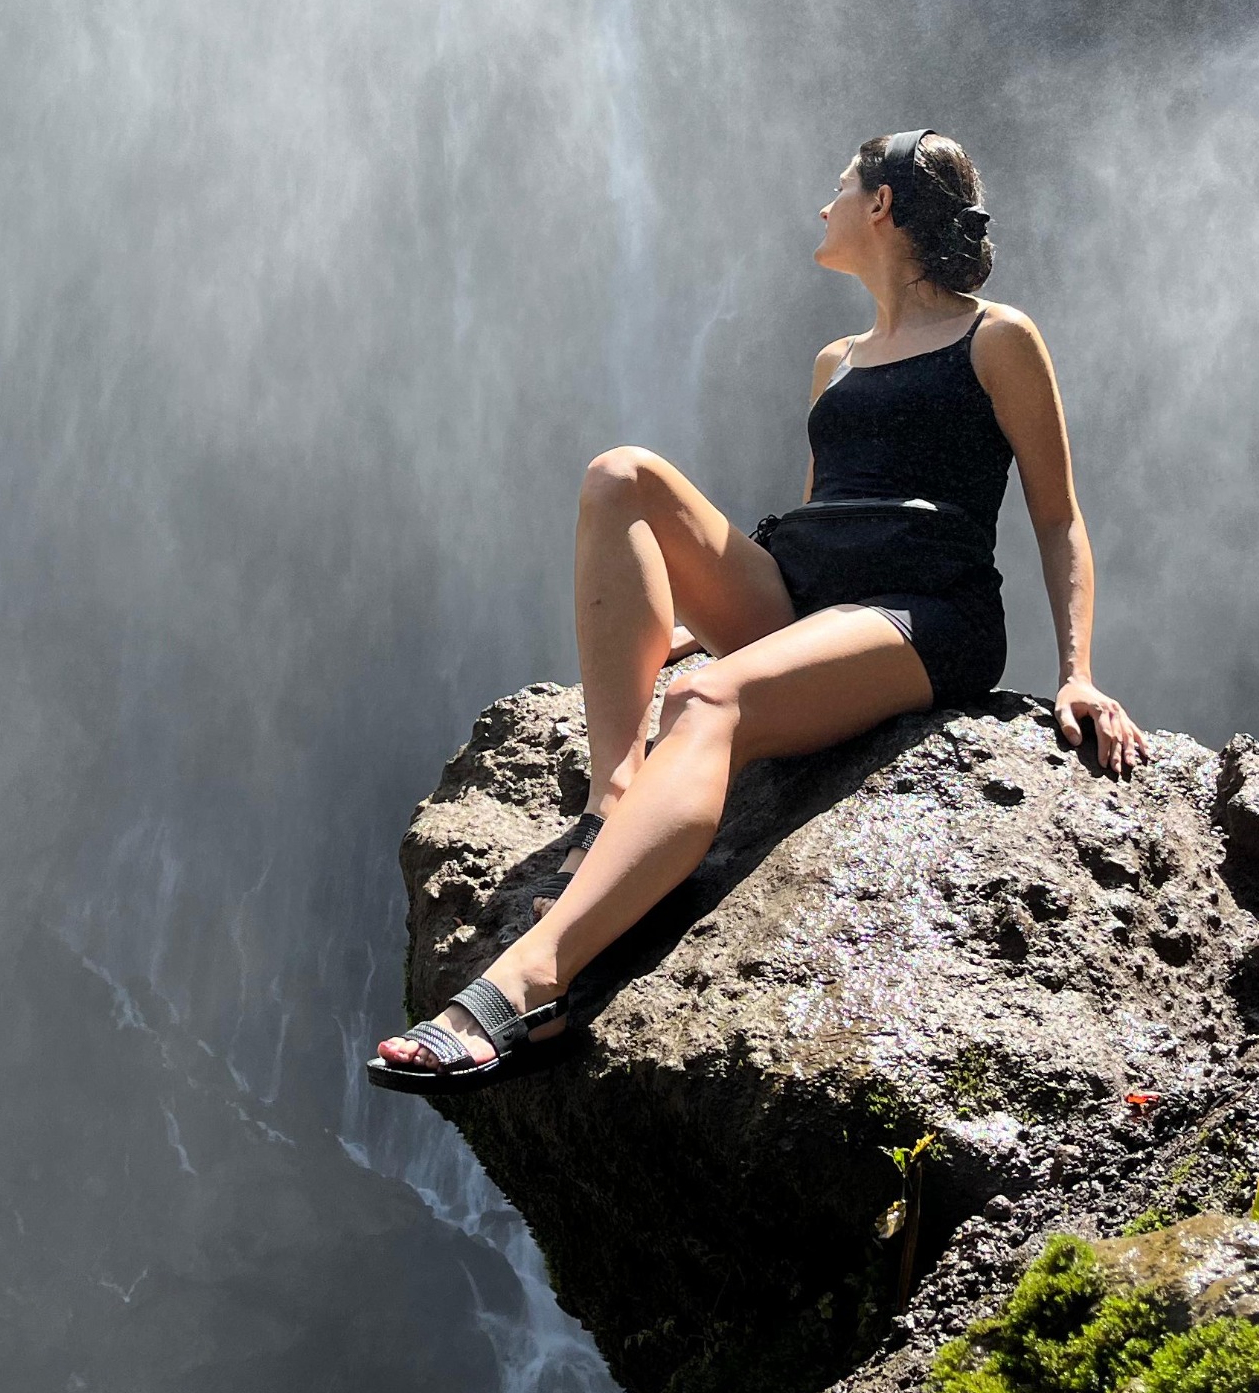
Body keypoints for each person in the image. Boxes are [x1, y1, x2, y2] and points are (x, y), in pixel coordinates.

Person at [367, 128, 1145, 1094]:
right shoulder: (837, 362)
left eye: (840, 186)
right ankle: (617, 800)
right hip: (807, 591)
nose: (823, 206)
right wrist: (702, 622)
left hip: (921, 613)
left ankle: (534, 980)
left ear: (883, 207)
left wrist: (1078, 672)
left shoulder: (998, 338)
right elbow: (823, 513)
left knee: (705, 705)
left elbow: (1058, 517)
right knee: (620, 477)